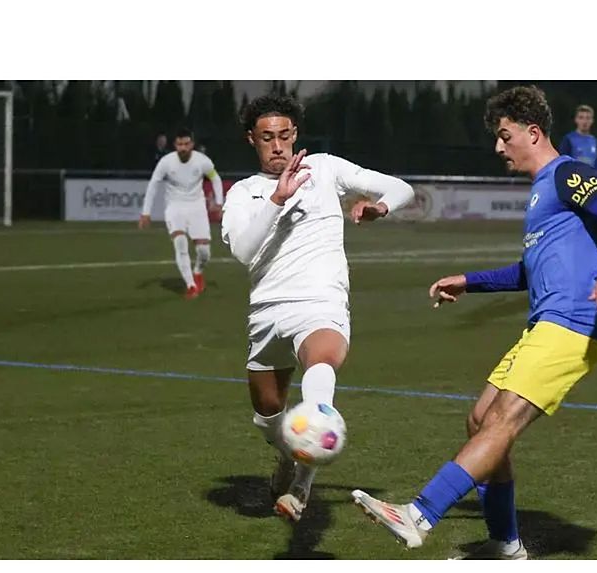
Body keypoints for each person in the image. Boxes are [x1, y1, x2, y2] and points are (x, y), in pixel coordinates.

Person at [350, 85, 597, 558]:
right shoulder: (541, 192)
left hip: (574, 322)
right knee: (481, 418)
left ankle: (419, 514)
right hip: (546, 322)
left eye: (505, 137)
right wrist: (471, 280)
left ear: (533, 132)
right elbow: (531, 271)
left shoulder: (567, 173)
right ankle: (506, 546)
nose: (498, 148)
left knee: (501, 419)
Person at [221, 94, 414, 523]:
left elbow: (399, 187)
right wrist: (277, 201)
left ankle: (302, 486)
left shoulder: (324, 168)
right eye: (267, 138)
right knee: (267, 417)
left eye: (285, 136)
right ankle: (288, 456)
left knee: (321, 365)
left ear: (295, 136)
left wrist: (381, 207)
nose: (278, 146)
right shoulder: (243, 193)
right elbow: (244, 253)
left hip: (320, 300)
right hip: (267, 312)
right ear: (251, 139)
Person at [139, 128, 223, 299]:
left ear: (192, 144)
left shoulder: (202, 161)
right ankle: (191, 285)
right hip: (174, 207)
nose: (183, 148)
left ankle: (198, 272)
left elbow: (215, 177)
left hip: (197, 207)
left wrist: (219, 202)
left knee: (204, 252)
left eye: (186, 144)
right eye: (179, 144)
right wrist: (145, 213)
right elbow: (153, 184)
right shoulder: (166, 162)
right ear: (175, 145)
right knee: (180, 243)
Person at [557, 104, 597, 195]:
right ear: (576, 120)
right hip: (574, 185)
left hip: (590, 186)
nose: (584, 121)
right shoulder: (569, 139)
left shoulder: (594, 141)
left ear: (592, 121)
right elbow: (562, 164)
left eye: (588, 118)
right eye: (581, 117)